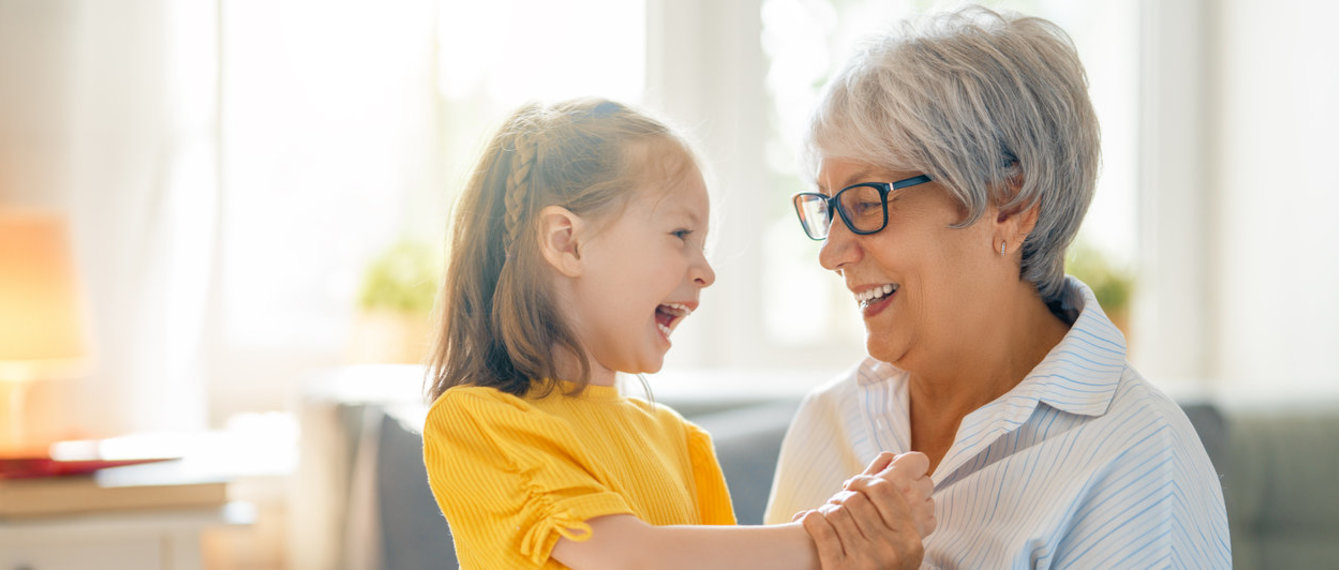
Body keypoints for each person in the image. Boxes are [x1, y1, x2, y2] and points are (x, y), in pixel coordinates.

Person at [765, 5, 1231, 568]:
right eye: (829, 207)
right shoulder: (827, 420)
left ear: (1008, 205)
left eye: (866, 203)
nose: (831, 252)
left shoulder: (1139, 457)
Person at [421, 98, 935, 569]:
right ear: (567, 243)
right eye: (681, 235)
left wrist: (868, 537)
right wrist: (833, 535)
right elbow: (627, 556)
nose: (705, 271)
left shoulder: (682, 443)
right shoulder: (478, 422)